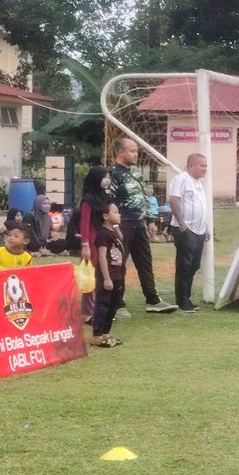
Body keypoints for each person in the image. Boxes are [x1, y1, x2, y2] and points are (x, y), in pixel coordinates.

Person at [111, 138, 175, 312]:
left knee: (145, 262)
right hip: (123, 226)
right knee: (119, 264)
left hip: (139, 226)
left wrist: (150, 220)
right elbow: (110, 201)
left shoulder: (136, 172)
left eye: (137, 151)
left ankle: (152, 300)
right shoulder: (114, 174)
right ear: (121, 152)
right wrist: (114, 227)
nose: (136, 154)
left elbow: (145, 197)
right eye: (132, 151)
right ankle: (118, 303)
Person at [166, 151, 210, 312]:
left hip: (199, 231)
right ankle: (182, 300)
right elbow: (174, 200)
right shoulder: (181, 179)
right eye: (201, 166)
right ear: (191, 165)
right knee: (184, 265)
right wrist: (181, 223)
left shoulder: (199, 184)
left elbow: (201, 206)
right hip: (186, 229)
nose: (205, 169)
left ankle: (187, 296)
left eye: (206, 166)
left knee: (194, 264)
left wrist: (206, 228)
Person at [90, 200, 127, 348]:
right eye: (115, 212)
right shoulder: (102, 234)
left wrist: (117, 228)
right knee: (103, 305)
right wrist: (106, 278)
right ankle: (97, 336)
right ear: (105, 216)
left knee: (113, 305)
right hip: (108, 275)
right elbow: (102, 257)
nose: (119, 215)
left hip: (118, 274)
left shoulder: (113, 233)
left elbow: (122, 240)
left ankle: (105, 333)